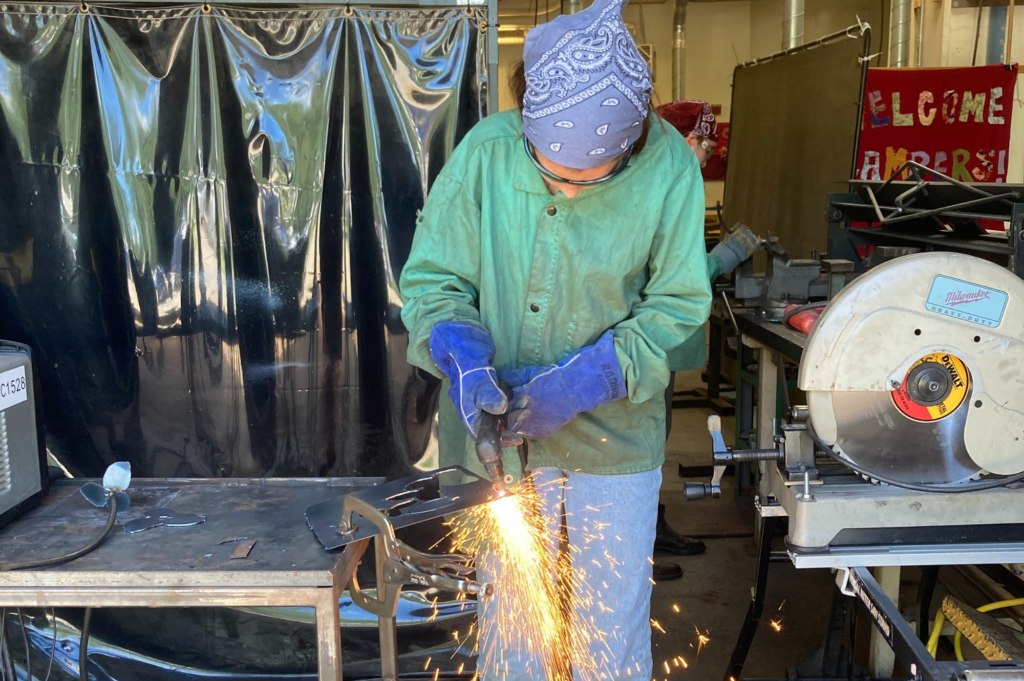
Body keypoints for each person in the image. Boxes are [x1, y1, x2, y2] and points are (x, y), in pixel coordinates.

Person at [398, 0, 711, 676]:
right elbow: (431, 282)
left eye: (585, 182)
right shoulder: (486, 152)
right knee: (514, 626)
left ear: (631, 144)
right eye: (550, 175)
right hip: (503, 442)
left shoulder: (670, 171)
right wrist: (463, 359)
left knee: (611, 631)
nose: (565, 193)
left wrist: (590, 377)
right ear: (527, 129)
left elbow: (679, 304)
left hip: (616, 435)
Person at [649, 100, 762, 581]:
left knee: (653, 442)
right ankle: (635, 550)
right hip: (647, 340)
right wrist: (724, 258)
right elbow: (681, 272)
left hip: (656, 341)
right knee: (642, 444)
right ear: (678, 139)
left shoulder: (672, 182)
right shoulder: (660, 184)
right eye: (703, 142)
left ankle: (651, 528)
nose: (708, 152)